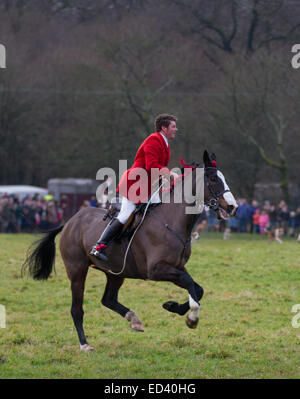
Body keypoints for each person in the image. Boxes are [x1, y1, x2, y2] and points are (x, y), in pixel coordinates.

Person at [90, 113, 179, 261]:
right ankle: (99, 246)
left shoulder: (164, 143)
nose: (176, 129)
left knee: (158, 212)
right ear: (164, 128)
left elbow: (157, 169)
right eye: (173, 126)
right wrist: (170, 174)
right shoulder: (153, 140)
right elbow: (151, 166)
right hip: (135, 184)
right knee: (126, 214)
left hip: (148, 185)